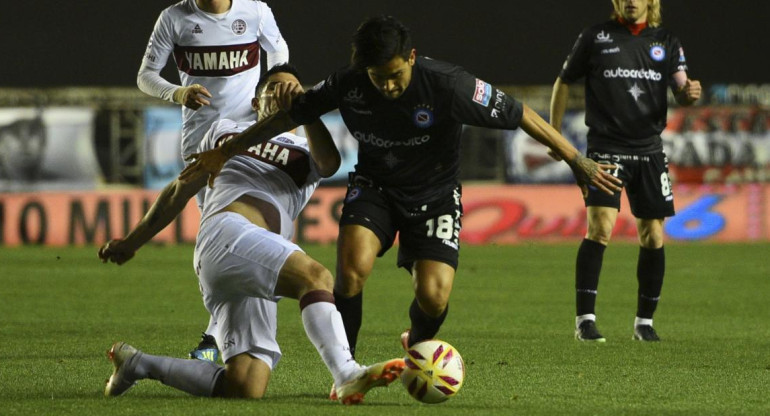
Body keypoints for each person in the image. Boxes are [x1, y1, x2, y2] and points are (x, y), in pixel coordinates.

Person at [181, 16, 621, 363]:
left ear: (411, 57)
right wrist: (229, 149)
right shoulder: (348, 83)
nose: (387, 85)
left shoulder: (449, 84)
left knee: (433, 296)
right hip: (375, 188)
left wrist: (576, 160)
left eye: (394, 74)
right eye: (377, 77)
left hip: (435, 195)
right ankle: (347, 367)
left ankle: (419, 345)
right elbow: (287, 118)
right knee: (350, 272)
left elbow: (521, 112)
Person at [98, 64, 405, 404]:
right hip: (225, 236)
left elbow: (330, 164)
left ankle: (138, 364)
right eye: (274, 87)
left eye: (294, 88)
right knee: (315, 276)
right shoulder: (225, 132)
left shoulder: (304, 147)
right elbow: (179, 189)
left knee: (245, 385)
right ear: (257, 101)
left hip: (255, 258)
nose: (284, 92)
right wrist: (133, 242)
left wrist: (305, 111)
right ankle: (346, 373)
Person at [137, 0, 290, 362]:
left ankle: (213, 337)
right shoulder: (174, 18)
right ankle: (220, 332)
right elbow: (146, 75)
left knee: (253, 229)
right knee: (217, 235)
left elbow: (278, 47)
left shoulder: (255, 11)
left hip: (249, 135)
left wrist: (268, 89)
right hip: (202, 141)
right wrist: (178, 92)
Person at [549, 0, 701, 342]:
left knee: (654, 235)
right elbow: (563, 82)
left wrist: (690, 92)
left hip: (649, 151)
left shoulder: (667, 42)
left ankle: (644, 324)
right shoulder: (595, 37)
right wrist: (555, 135)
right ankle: (585, 321)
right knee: (600, 227)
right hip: (606, 148)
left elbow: (682, 89)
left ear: (651, 2)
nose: (632, 0)